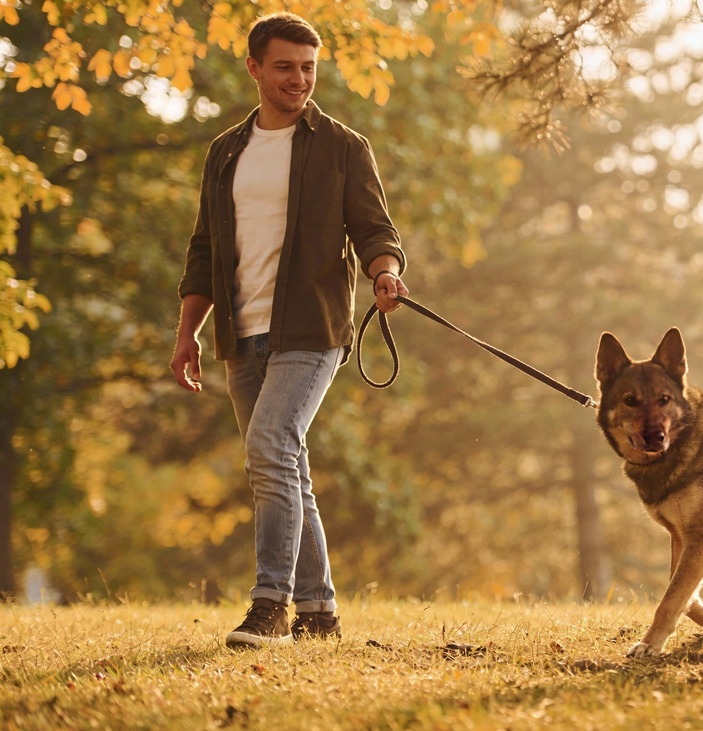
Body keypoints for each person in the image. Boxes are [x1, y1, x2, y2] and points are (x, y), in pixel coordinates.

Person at [169, 11, 408, 648]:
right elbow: (203, 249)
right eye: (284, 67)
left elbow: (376, 231)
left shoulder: (342, 147)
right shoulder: (225, 152)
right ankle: (320, 613)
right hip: (241, 332)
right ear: (253, 68)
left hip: (311, 328)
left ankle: (270, 603)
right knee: (286, 467)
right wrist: (188, 333)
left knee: (270, 448)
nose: (298, 79)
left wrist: (385, 273)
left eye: (307, 68)